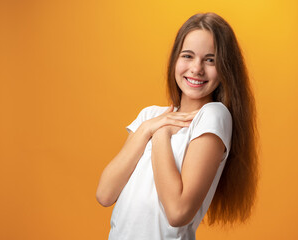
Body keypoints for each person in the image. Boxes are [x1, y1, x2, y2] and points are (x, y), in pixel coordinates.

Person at [96, 12, 258, 240]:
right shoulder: (149, 116)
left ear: (225, 68)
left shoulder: (213, 115)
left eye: (210, 60)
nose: (197, 68)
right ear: (175, 60)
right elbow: (105, 194)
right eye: (188, 56)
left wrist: (159, 132)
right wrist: (146, 129)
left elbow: (178, 212)